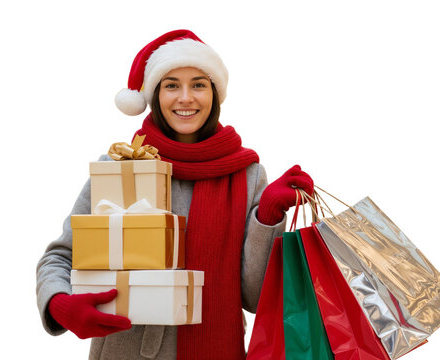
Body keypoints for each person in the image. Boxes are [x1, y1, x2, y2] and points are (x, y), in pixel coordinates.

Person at [36, 29, 314, 360]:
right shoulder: (122, 167)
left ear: (214, 93)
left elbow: (254, 298)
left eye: (198, 84)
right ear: (155, 95)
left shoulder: (247, 175)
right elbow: (59, 256)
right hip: (125, 350)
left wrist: (267, 217)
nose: (186, 97)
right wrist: (60, 305)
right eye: (171, 85)